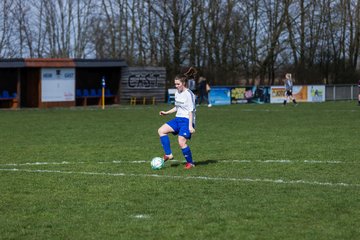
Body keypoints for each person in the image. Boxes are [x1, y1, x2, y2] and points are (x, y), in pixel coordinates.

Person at [158, 73, 196, 169]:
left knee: (181, 142)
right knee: (161, 130)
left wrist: (190, 126)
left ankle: (190, 163)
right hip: (178, 119)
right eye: (175, 84)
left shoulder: (189, 94)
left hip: (187, 120)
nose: (176, 86)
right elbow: (177, 107)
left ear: (183, 83)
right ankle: (169, 154)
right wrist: (166, 113)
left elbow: (191, 111)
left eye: (178, 84)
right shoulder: (177, 93)